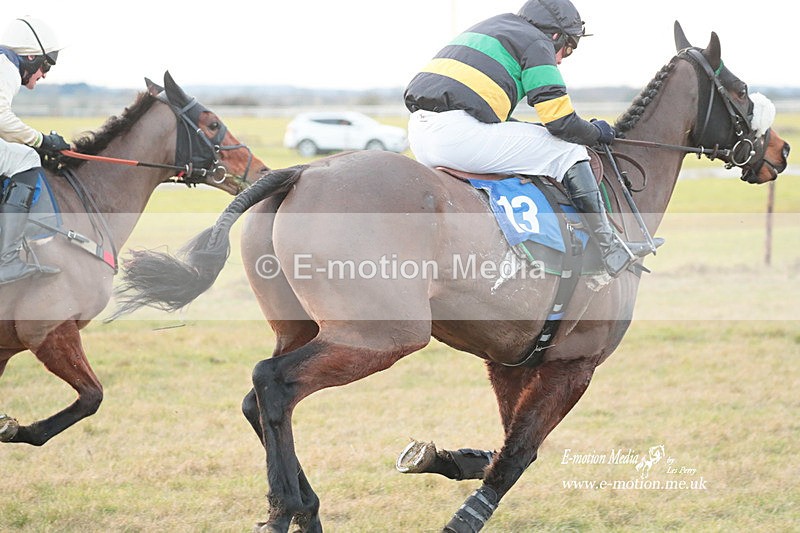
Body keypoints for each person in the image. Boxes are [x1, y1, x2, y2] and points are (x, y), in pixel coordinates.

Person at [405, 0, 660, 277]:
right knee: (568, 150)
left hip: (420, 133)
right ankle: (610, 249)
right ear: (556, 35)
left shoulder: (493, 26)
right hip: (457, 136)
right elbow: (561, 123)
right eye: (568, 48)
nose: (560, 59)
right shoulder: (537, 43)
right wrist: (597, 132)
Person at [0, 16, 70, 284]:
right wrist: (41, 141)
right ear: (29, 56)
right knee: (27, 158)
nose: (43, 74)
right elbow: (2, 120)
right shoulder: (5, 66)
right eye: (46, 65)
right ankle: (6, 262)